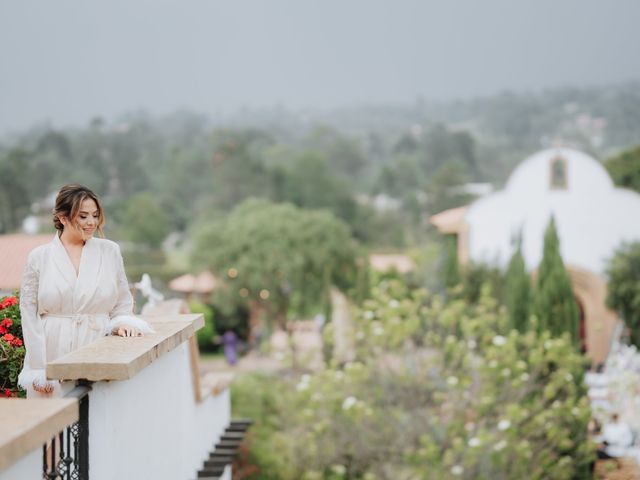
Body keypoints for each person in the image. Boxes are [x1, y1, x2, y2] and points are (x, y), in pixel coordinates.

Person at [17, 184, 153, 397]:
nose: (92, 223)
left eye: (95, 215)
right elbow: (29, 314)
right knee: (54, 425)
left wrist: (122, 322)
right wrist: (38, 369)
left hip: (96, 347)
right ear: (63, 218)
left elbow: (122, 301)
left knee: (97, 420)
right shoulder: (39, 257)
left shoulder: (110, 251)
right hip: (52, 351)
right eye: (83, 216)